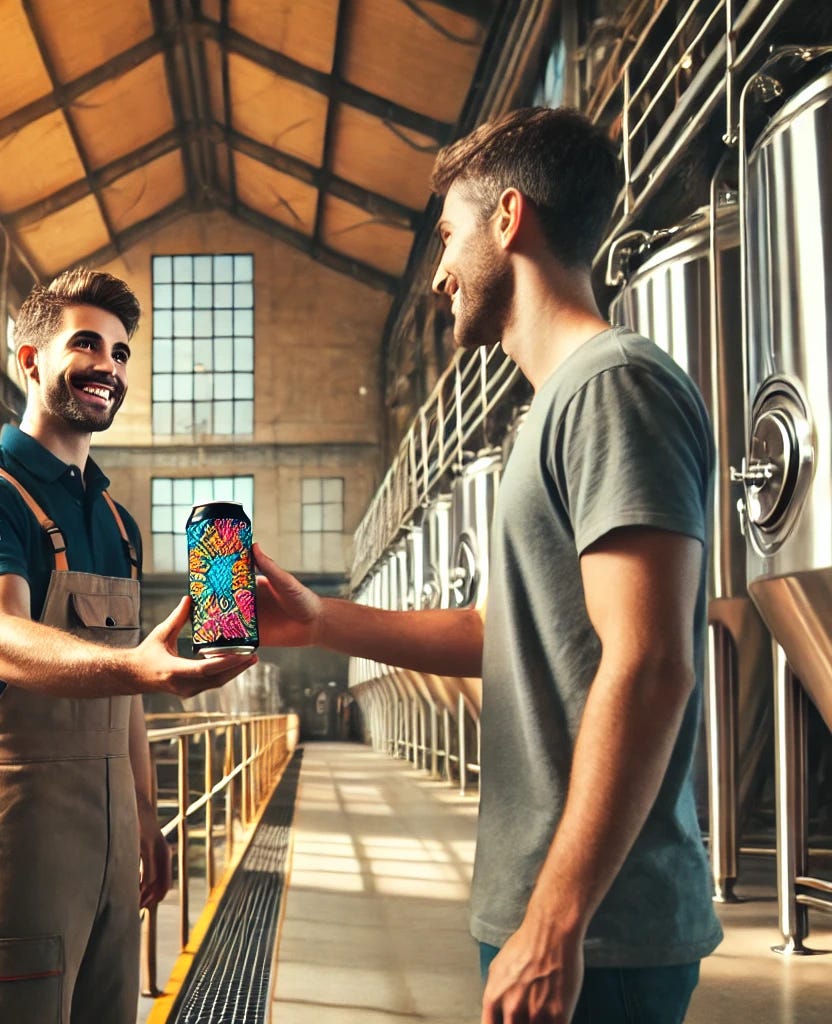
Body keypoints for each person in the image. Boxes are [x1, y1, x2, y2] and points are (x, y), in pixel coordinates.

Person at [254, 107, 722, 1024]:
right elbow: (507, 635)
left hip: (596, 934)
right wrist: (319, 620)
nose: (439, 273)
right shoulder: (553, 410)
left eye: (449, 235)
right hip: (549, 909)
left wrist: (556, 924)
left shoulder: (610, 387)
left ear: (508, 220)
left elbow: (651, 663)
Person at [0, 268, 255, 1024]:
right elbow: (3, 638)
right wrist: (138, 665)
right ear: (31, 359)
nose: (110, 364)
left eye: (123, 352)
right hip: (16, 828)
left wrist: (146, 813)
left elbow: (124, 691)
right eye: (87, 344)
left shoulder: (116, 519)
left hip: (112, 836)